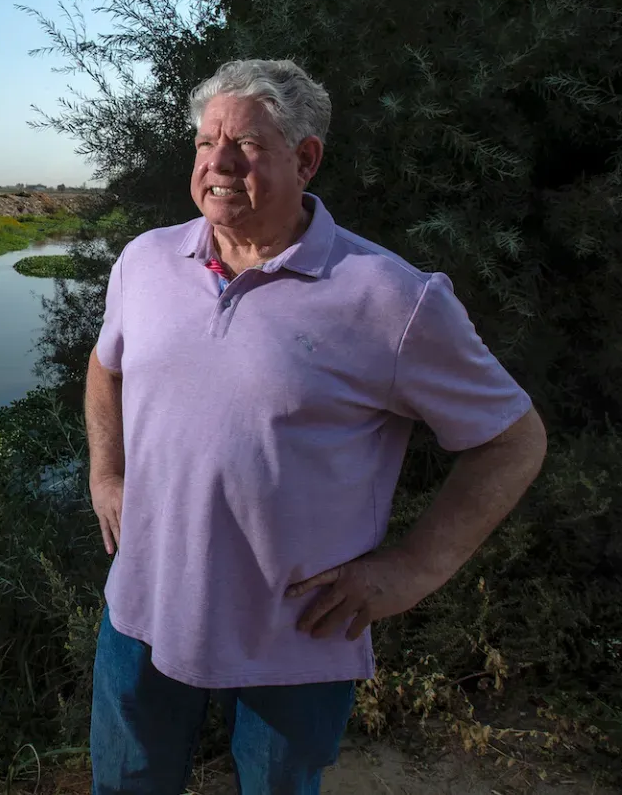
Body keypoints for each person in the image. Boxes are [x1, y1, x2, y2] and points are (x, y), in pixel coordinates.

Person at [85, 59, 548, 794]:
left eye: (246, 145)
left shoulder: (392, 299)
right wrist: (105, 473)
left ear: (306, 159)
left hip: (297, 634)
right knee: (127, 785)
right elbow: (105, 365)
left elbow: (512, 439)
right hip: (141, 604)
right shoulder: (145, 261)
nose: (219, 164)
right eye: (207, 143)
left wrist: (414, 570)